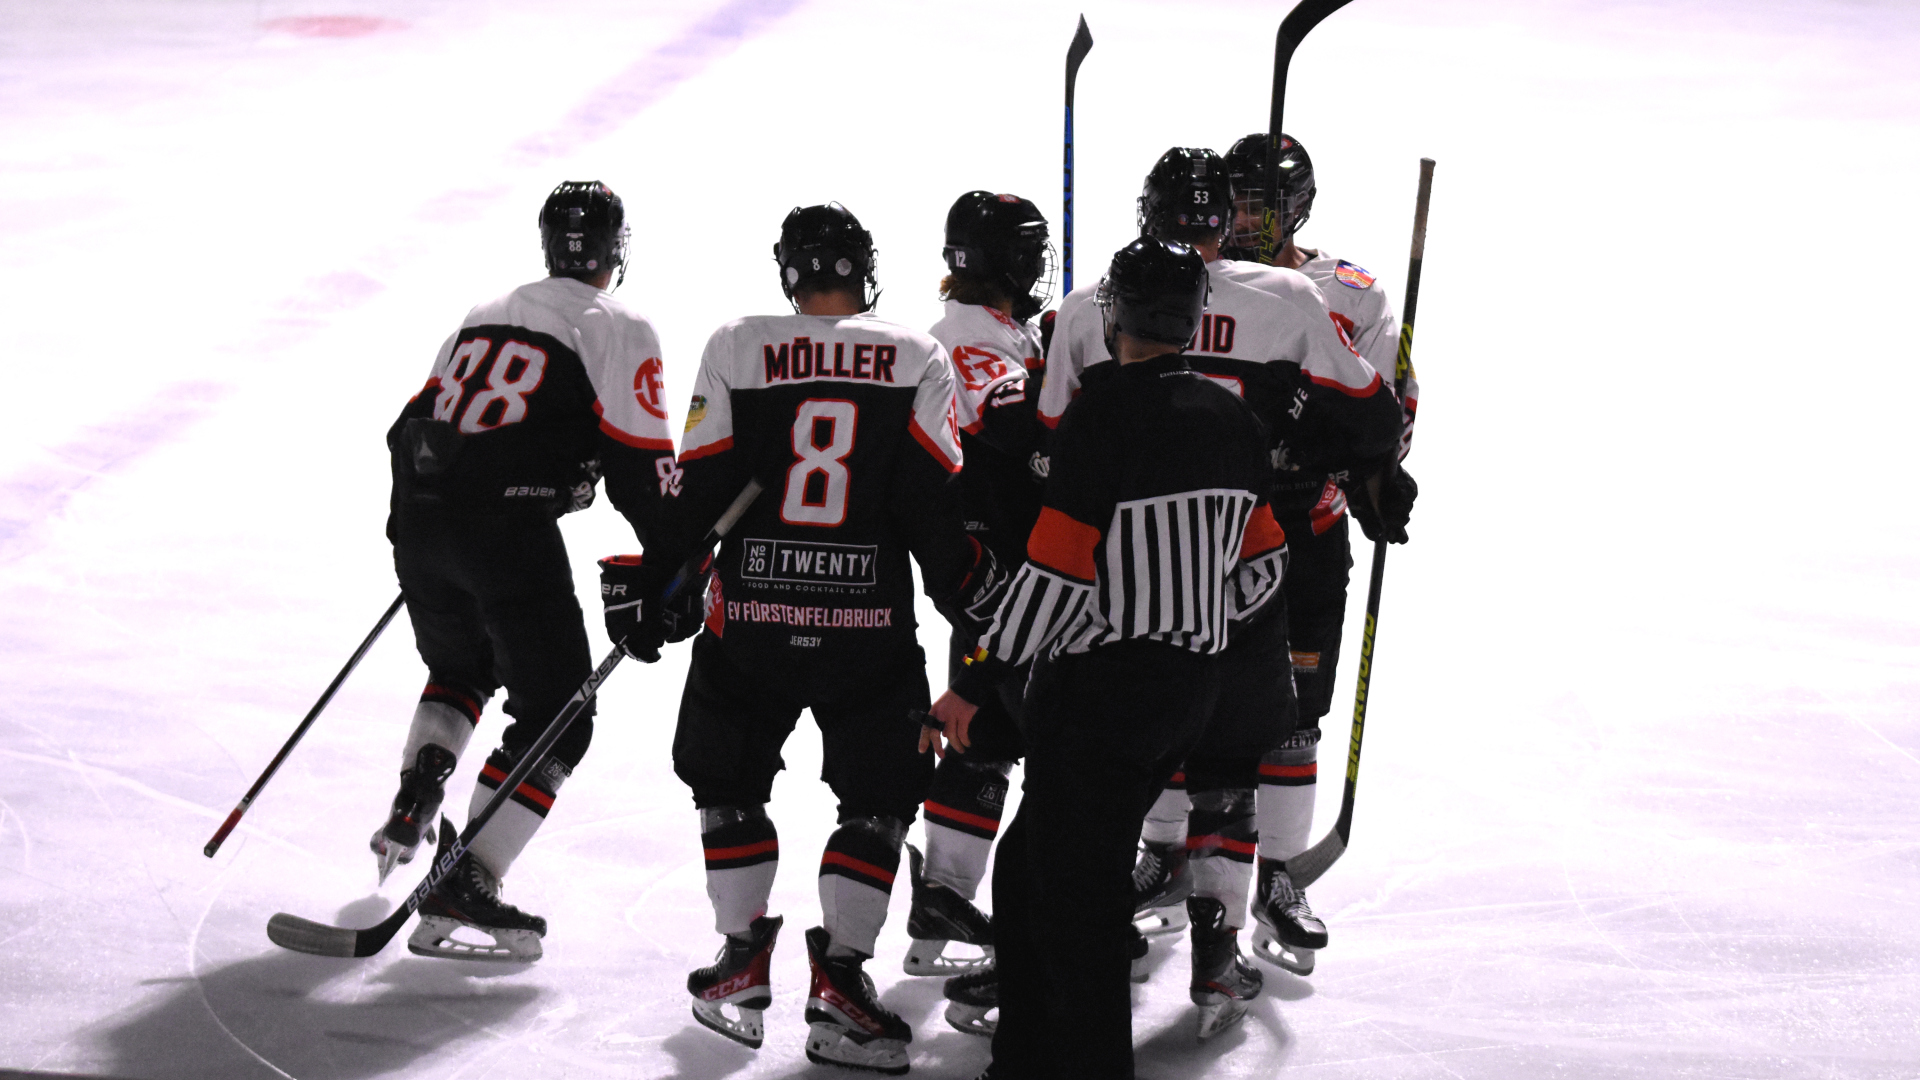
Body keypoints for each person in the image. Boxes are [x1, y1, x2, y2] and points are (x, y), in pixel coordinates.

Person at [599, 202, 1001, 1072]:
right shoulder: (915, 356)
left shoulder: (738, 343)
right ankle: (844, 985)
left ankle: (740, 965)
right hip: (868, 627)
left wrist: (663, 578)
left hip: (747, 621)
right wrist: (974, 601)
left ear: (790, 273)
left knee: (728, 785)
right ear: (865, 272)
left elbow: (698, 492)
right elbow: (935, 511)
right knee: (879, 801)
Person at [1040, 148, 1404, 1018]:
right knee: (1248, 734)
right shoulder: (1297, 299)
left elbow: (1052, 440)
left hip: (1136, 559)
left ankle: (1242, 875)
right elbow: (1376, 417)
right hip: (1266, 550)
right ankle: (1213, 906)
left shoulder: (1092, 305)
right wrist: (1353, 460)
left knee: (1155, 719)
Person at [927, 236, 1290, 1078]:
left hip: (1104, 695)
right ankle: (1022, 1052)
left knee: (1077, 896)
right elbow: (1265, 563)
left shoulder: (1100, 413)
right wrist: (1191, 615)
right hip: (1190, 690)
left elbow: (1055, 574)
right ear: (1195, 316)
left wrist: (981, 677)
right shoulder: (1233, 415)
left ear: (1115, 313)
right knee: (1026, 869)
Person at [374, 180, 678, 963]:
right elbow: (642, 467)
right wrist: (676, 562)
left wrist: (412, 526)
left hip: (423, 517)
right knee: (557, 716)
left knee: (460, 667)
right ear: (615, 252)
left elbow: (410, 424)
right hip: (502, 532)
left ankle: (415, 799)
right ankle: (465, 875)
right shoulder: (618, 324)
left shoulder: (483, 313)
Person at [903, 190, 1054, 980]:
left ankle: (941, 902)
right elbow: (1018, 435)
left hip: (986, 564)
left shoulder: (984, 328)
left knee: (985, 729)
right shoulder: (969, 339)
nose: (1037, 266)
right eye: (1028, 252)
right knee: (1053, 740)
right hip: (1002, 569)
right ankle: (1042, 929)